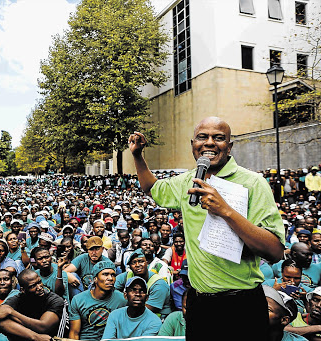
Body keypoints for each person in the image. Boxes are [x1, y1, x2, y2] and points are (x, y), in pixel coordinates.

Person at [129, 117, 285, 340]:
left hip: (242, 304)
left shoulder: (253, 183)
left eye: (219, 138)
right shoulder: (186, 182)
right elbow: (151, 187)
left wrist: (226, 211)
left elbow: (276, 251)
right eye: (203, 137)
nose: (209, 143)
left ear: (229, 147)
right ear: (193, 144)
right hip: (199, 303)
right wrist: (137, 155)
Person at [0, 269, 64, 341]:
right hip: (30, 338)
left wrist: (12, 313)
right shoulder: (18, 298)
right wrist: (35, 336)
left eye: (39, 282)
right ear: (23, 290)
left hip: (50, 338)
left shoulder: (55, 300)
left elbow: (43, 327)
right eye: (33, 286)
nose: (39, 287)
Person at [68, 261, 126, 340]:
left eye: (113, 275)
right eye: (105, 274)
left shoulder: (122, 299)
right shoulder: (78, 300)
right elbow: (74, 334)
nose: (110, 278)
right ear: (95, 279)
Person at [114, 249, 171, 318]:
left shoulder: (159, 284)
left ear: (147, 263)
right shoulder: (127, 275)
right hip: (134, 313)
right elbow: (110, 290)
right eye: (133, 262)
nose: (137, 265)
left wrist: (125, 299)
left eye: (141, 261)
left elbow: (147, 309)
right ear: (130, 267)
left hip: (158, 318)